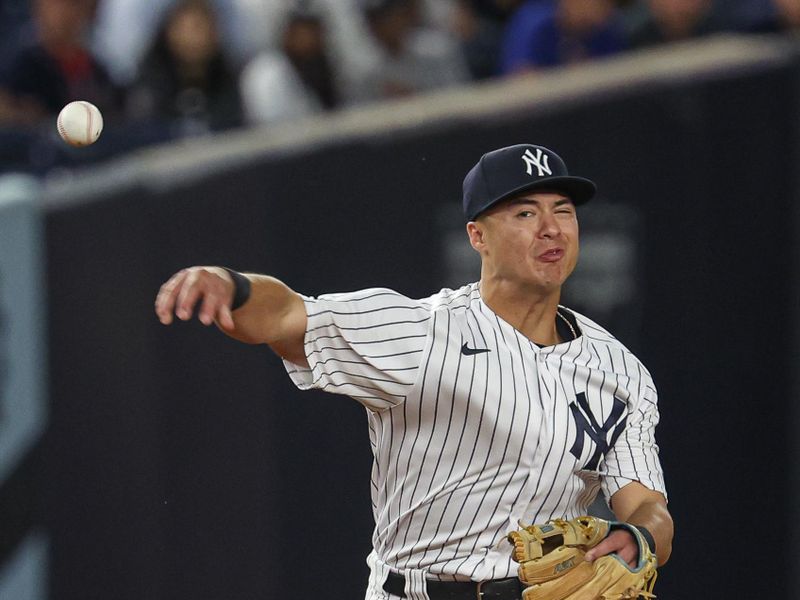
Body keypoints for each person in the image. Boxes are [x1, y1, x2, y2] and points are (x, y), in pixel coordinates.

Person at [154, 143, 674, 600]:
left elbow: (647, 502)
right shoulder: (421, 332)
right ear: (477, 236)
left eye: (563, 210)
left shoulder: (617, 368)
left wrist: (641, 537)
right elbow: (289, 314)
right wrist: (232, 285)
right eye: (523, 213)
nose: (551, 228)